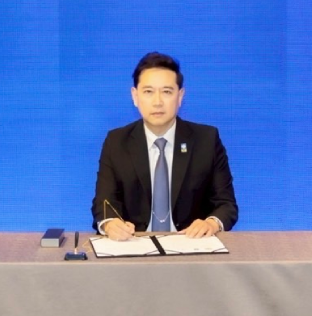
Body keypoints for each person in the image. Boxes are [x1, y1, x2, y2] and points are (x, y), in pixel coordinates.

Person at [92, 52, 238, 240]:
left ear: (180, 96)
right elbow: (103, 203)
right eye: (148, 92)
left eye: (167, 92)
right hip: (133, 244)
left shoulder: (206, 140)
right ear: (135, 96)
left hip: (191, 245)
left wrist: (211, 223)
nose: (158, 102)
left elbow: (226, 204)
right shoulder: (117, 141)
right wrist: (110, 223)